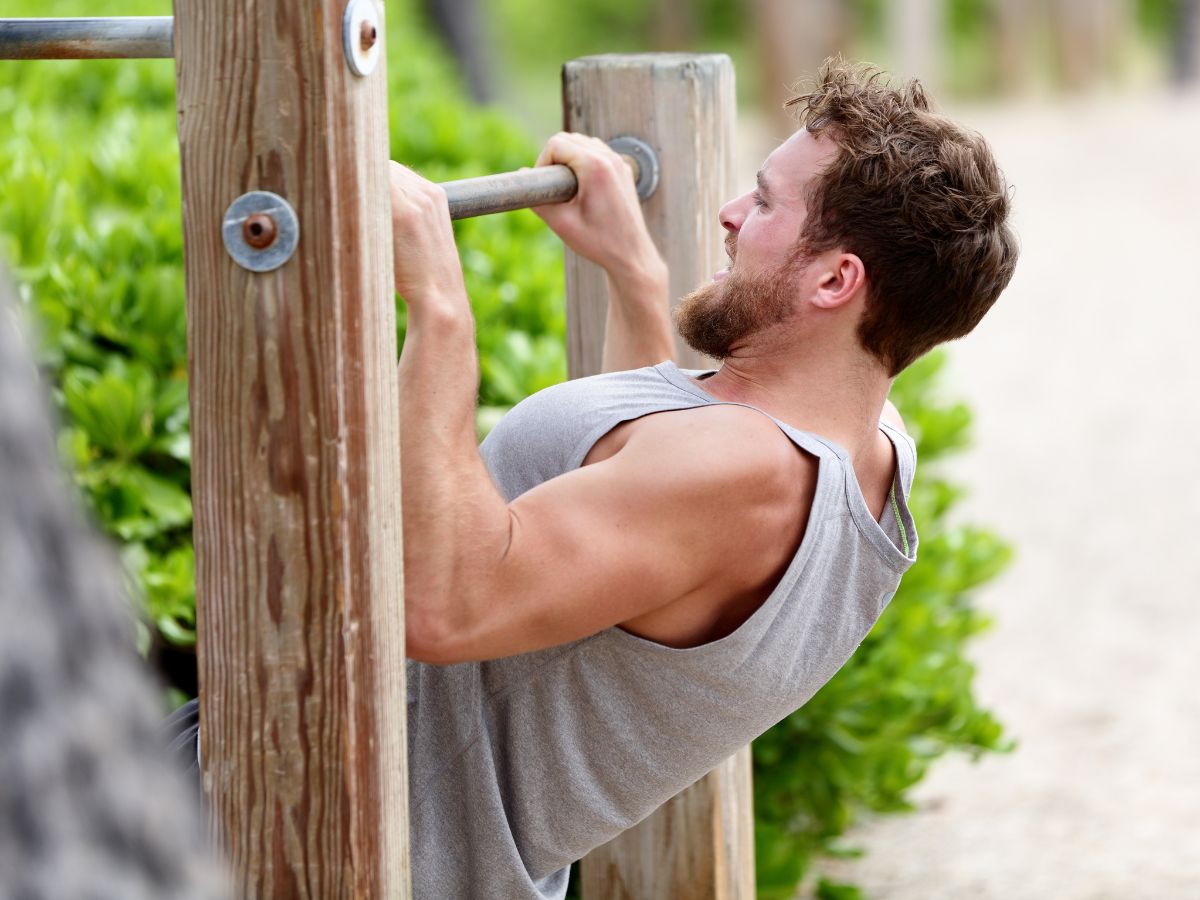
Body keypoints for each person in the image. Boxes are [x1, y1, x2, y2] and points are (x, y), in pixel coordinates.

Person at [391, 59, 1017, 899]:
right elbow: (642, 526)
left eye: (762, 202)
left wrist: (438, 306)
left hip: (316, 838)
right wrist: (635, 278)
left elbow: (446, 603)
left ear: (837, 280)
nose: (727, 214)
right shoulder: (871, 452)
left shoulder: (747, 472)